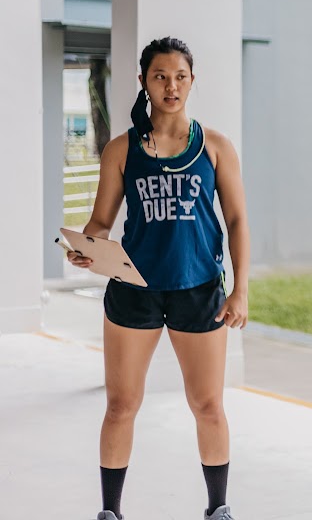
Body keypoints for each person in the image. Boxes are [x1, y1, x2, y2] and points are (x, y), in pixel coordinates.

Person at [67, 37, 249, 520]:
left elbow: (236, 221)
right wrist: (87, 247)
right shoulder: (121, 149)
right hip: (134, 291)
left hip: (199, 290)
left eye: (180, 77)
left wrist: (240, 290)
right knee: (121, 405)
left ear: (192, 80)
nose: (171, 86)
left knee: (208, 405)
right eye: (160, 77)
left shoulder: (215, 146)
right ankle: (110, 512)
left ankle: (218, 508)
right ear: (144, 81)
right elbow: (102, 220)